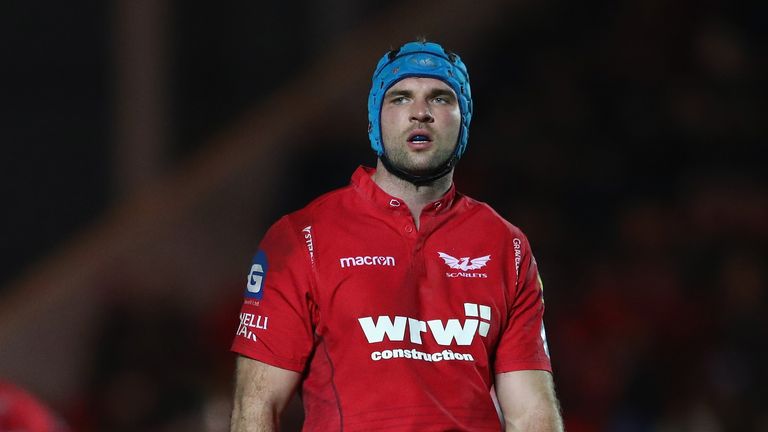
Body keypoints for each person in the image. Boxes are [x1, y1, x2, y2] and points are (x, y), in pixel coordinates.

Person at [230, 40, 563, 431]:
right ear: (375, 119)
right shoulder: (302, 237)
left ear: (464, 120)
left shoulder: (506, 245)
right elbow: (255, 408)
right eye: (401, 98)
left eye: (440, 99)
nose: (420, 112)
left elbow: (532, 415)